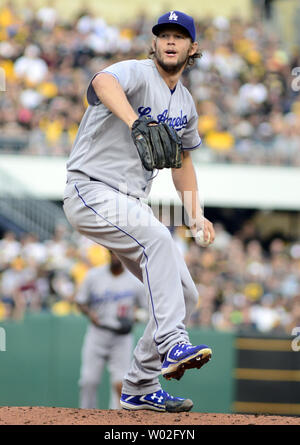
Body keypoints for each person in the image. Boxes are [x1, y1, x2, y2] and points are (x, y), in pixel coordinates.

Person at [63, 10, 215, 413]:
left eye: (179, 36)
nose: (170, 41)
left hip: (128, 203)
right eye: (163, 34)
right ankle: (172, 344)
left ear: (192, 47)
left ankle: (139, 385)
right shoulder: (135, 72)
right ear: (154, 43)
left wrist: (195, 214)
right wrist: (134, 121)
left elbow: (182, 160)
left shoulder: (185, 103)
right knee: (156, 239)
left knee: (185, 295)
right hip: (90, 188)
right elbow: (101, 81)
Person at [75, 251, 147, 409]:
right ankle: (85, 417)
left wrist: (136, 317)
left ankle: (115, 422)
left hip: (122, 337)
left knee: (121, 383)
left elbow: (147, 308)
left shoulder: (135, 280)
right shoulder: (94, 275)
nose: (115, 257)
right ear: (108, 254)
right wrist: (89, 313)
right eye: (112, 253)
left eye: (118, 254)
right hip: (98, 332)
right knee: (88, 380)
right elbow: (80, 301)